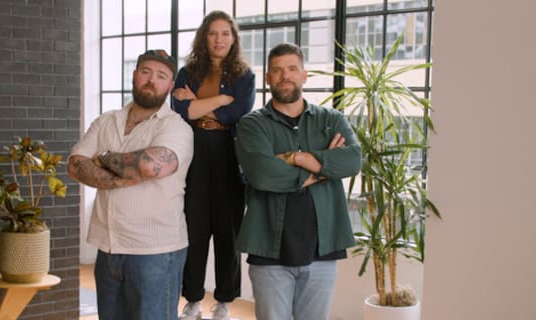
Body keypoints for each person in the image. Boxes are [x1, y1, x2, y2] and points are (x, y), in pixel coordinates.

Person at [233, 43, 362, 320]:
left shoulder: (331, 119)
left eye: (292, 69)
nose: (285, 76)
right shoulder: (252, 124)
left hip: (322, 251)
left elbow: (352, 162)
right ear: (268, 78)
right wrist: (325, 166)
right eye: (277, 70)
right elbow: (262, 174)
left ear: (304, 75)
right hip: (269, 252)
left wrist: (296, 158)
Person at [67, 49, 194, 320]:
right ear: (135, 76)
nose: (152, 80)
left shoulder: (176, 127)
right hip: (108, 248)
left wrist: (101, 159)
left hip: (155, 253)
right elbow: (75, 164)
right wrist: (126, 172)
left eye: (161, 76)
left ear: (170, 86)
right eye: (146, 72)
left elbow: (150, 165)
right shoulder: (106, 121)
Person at [171, 10, 255, 320]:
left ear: (233, 39)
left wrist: (200, 105)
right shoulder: (187, 72)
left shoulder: (244, 76)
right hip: (193, 155)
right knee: (194, 230)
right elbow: (180, 111)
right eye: (212, 33)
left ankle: (224, 301)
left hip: (228, 157)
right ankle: (192, 300)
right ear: (203, 37)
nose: (219, 39)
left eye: (225, 33)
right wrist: (221, 101)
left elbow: (238, 114)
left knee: (227, 233)